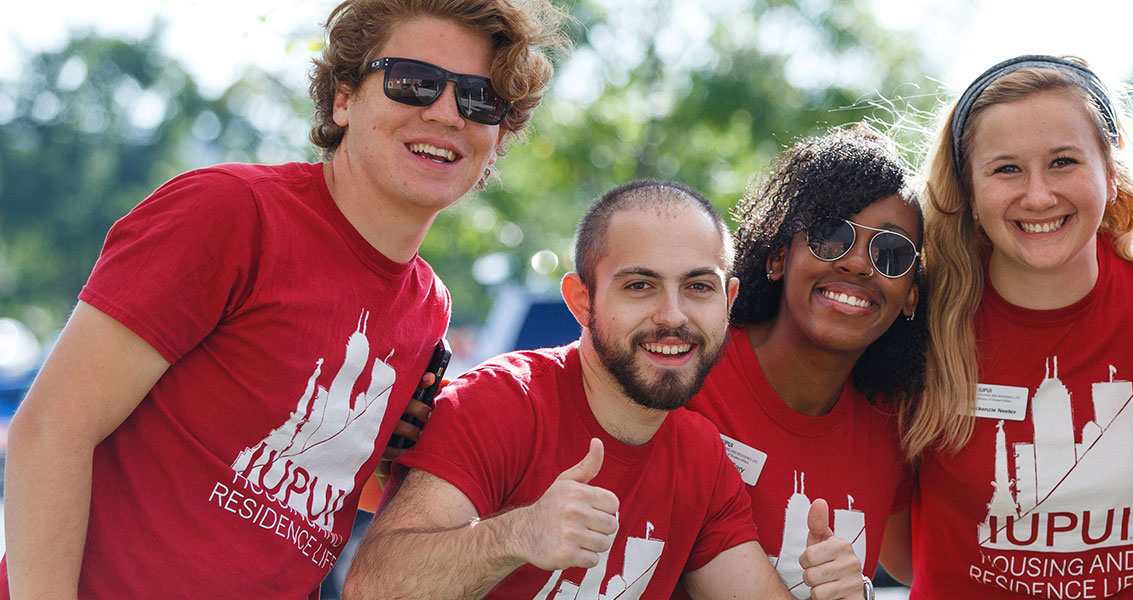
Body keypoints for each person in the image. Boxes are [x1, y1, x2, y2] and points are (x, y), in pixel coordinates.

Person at [1, 0, 566, 597]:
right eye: (414, 82)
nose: (447, 111)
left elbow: (324, 495)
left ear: (499, 133)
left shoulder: (429, 310)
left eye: (480, 99)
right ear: (344, 97)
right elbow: (51, 430)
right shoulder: (230, 215)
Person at [344, 180, 861, 599]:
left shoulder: (702, 459)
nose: (673, 315)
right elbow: (372, 588)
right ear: (582, 301)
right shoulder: (501, 402)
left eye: (699, 287)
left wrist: (841, 596)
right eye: (640, 285)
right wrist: (519, 534)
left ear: (728, 301)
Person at [892, 54, 1133, 598]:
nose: (1038, 195)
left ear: (1111, 175)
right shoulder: (917, 311)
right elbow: (900, 550)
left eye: (1063, 162)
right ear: (968, 191)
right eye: (1006, 168)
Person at [679, 126, 925, 599]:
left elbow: (929, 565)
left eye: (890, 253)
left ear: (911, 294)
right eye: (831, 235)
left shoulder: (892, 427)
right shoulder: (687, 371)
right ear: (778, 256)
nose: (857, 264)